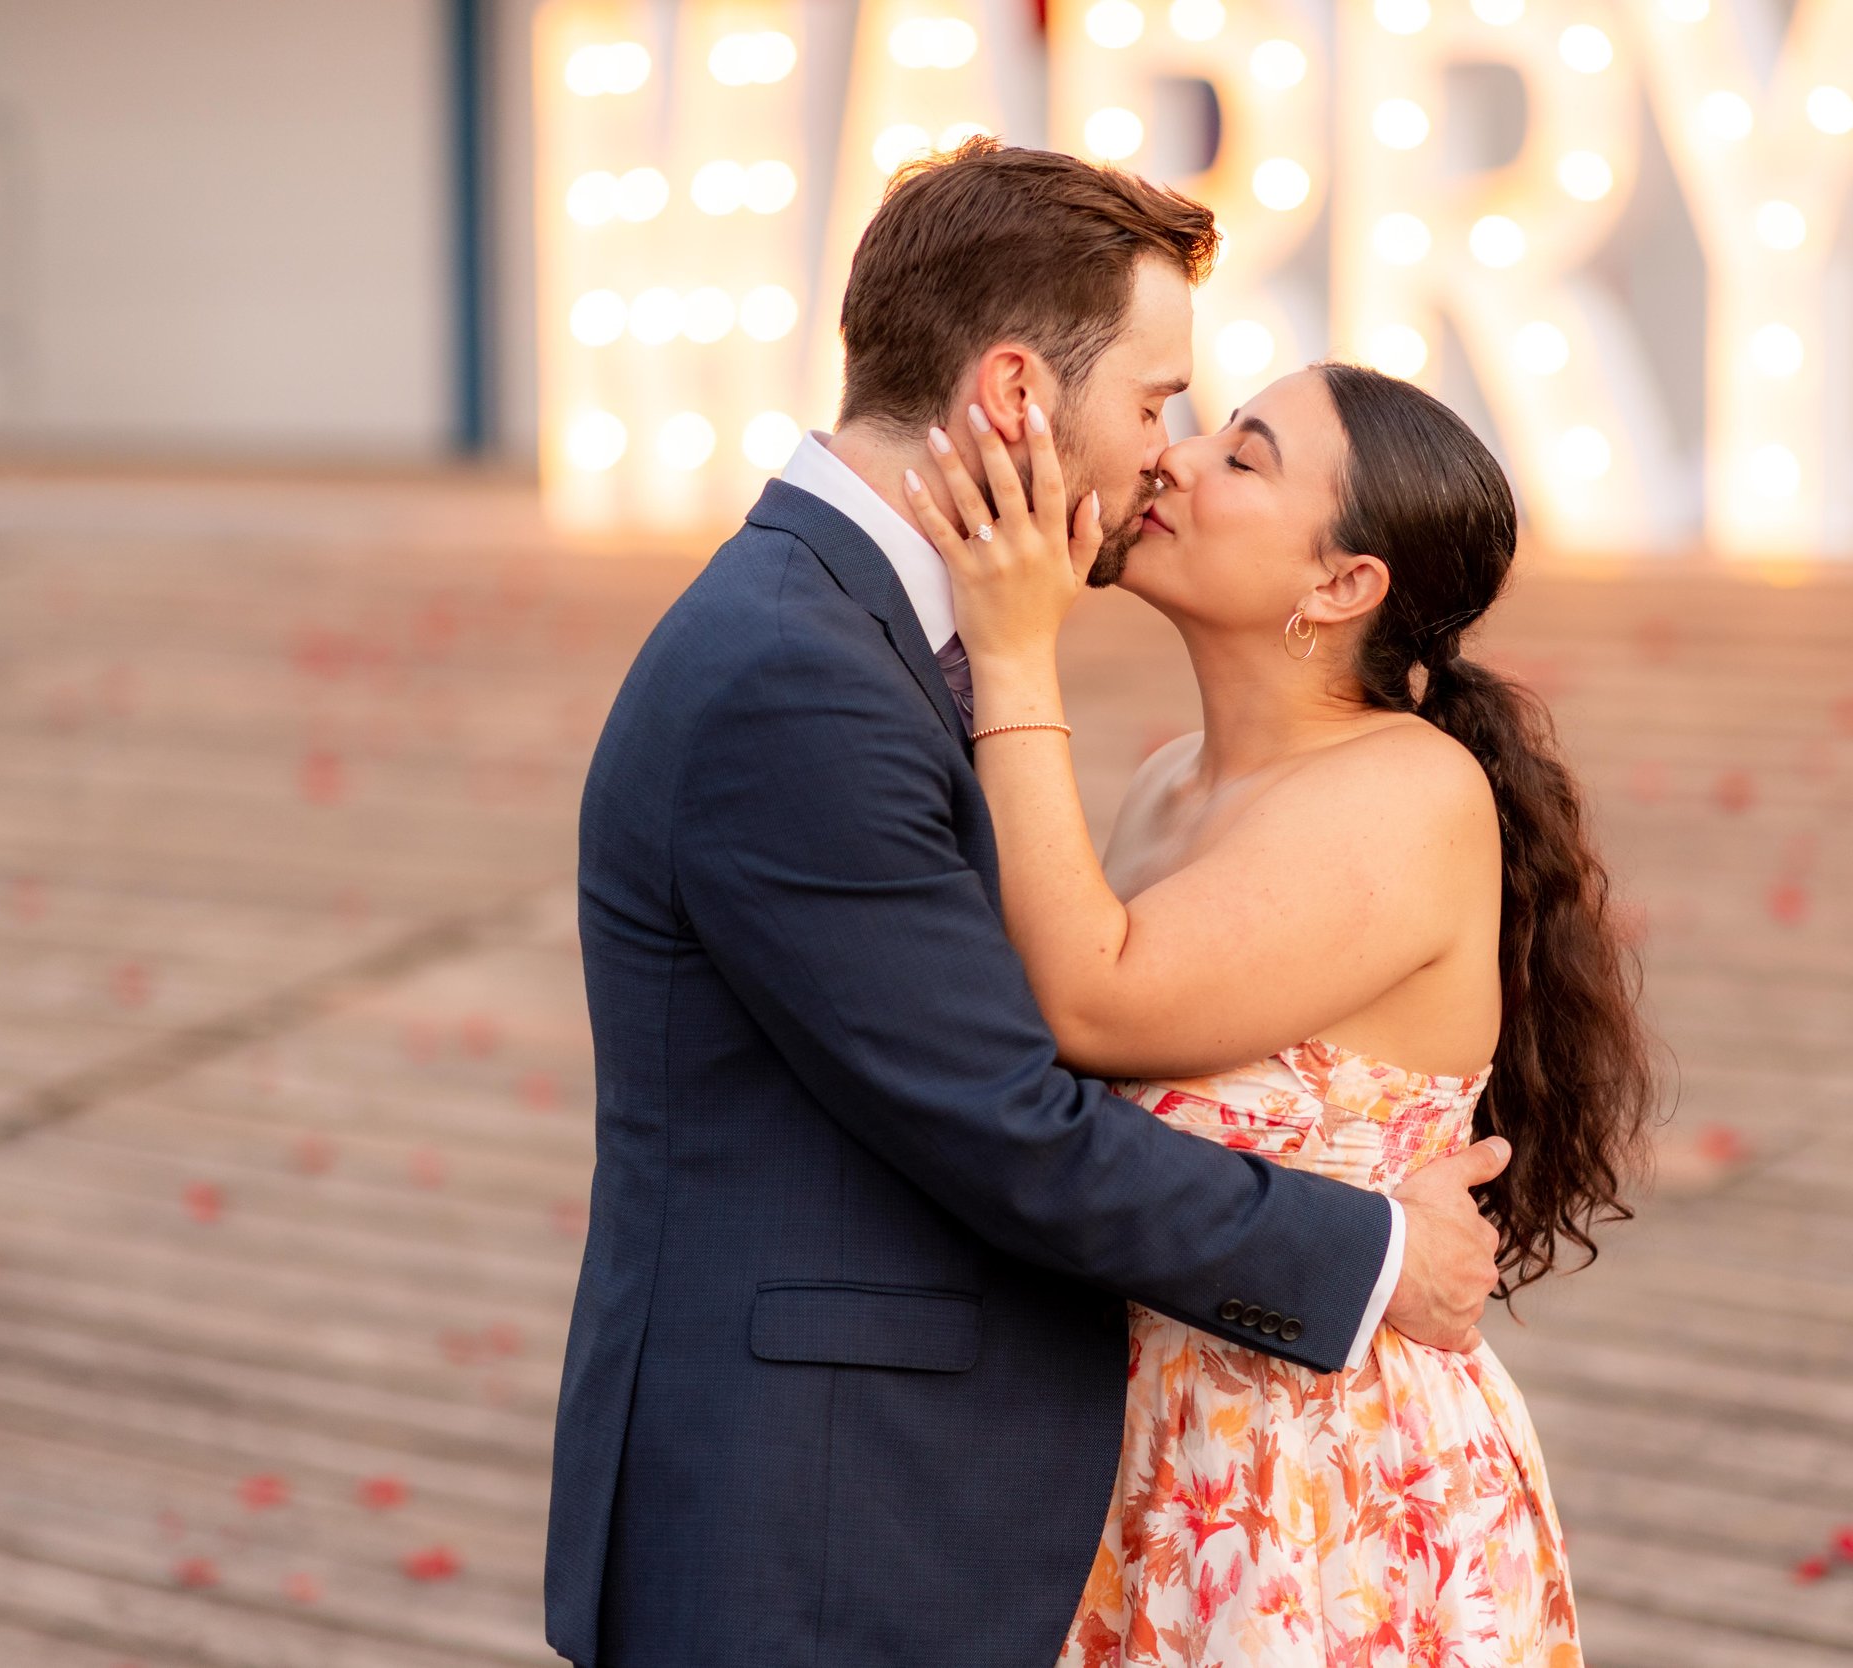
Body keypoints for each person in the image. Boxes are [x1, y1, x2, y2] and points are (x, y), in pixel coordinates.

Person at [544, 141, 1514, 1668]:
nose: (1165, 453)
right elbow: (1009, 1115)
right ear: (1012, 396)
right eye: (1153, 403)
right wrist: (1375, 1254)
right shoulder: (802, 674)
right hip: (812, 1515)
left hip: (1188, 1507)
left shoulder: (847, 634)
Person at [899, 356, 1657, 1662]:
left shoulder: (1406, 794)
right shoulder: (1165, 788)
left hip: (1318, 1494)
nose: (1178, 461)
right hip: (1135, 1465)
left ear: (1341, 584)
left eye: (1243, 457)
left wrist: (1017, 647)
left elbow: (1092, 1000)